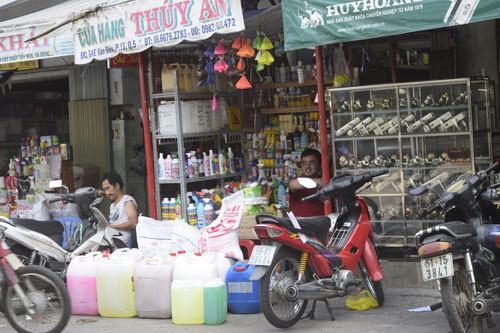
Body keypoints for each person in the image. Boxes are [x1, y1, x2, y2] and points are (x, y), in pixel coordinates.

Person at [101, 171, 138, 247]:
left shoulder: (127, 201)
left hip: (122, 245)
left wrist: (112, 226)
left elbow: (133, 223)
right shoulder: (112, 205)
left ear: (117, 186)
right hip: (111, 241)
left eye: (108, 188)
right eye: (105, 190)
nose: (107, 193)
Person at [288, 148, 324, 217]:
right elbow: (293, 184)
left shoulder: (324, 181)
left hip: (321, 225)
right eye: (304, 163)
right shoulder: (296, 182)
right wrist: (321, 182)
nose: (307, 167)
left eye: (312, 163)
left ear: (319, 165)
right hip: (300, 226)